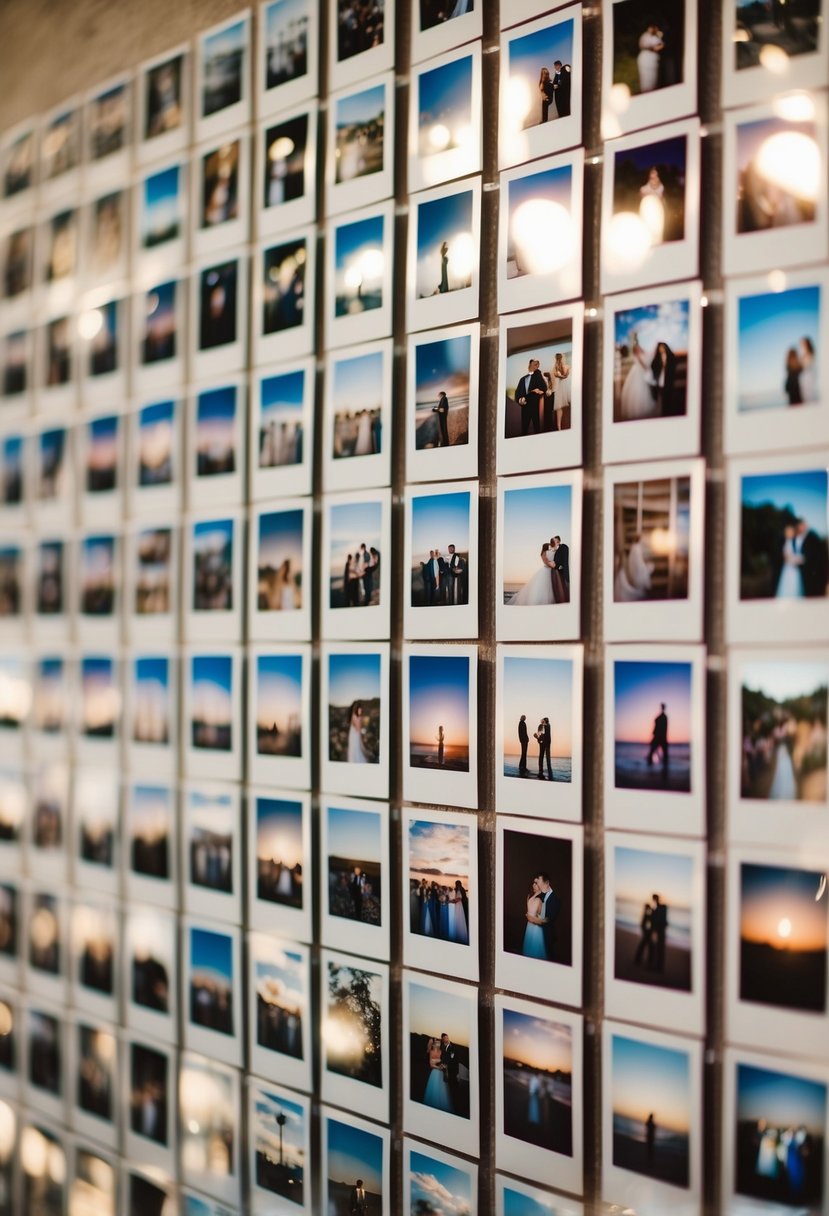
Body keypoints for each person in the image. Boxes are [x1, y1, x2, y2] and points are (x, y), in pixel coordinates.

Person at [620, 333, 656, 420]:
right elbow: (640, 361)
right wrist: (646, 369)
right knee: (638, 389)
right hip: (638, 371)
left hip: (638, 371)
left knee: (641, 389)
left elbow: (645, 354)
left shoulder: (638, 347)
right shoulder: (635, 348)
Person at [797, 517, 829, 597]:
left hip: (815, 573)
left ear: (805, 525)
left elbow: (812, 555)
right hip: (810, 573)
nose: (800, 528)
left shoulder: (812, 536)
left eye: (801, 526)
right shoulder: (806, 536)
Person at [516, 359, 547, 436]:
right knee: (524, 429)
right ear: (529, 365)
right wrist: (520, 400)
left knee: (537, 429)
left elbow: (544, 388)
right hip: (524, 407)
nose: (536, 366)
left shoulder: (537, 376)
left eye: (537, 365)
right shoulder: (522, 379)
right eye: (534, 364)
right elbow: (517, 393)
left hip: (534, 406)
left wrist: (538, 372)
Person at [534, 871, 561, 961]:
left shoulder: (555, 899)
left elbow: (549, 919)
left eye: (541, 884)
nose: (539, 886)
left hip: (548, 935)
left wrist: (534, 919)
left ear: (547, 883)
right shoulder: (541, 896)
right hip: (538, 933)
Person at [423, 1037, 453, 1112]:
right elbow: (431, 1064)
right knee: (434, 1089)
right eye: (436, 1043)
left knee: (442, 1092)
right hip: (434, 1074)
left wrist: (444, 1066)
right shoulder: (431, 1052)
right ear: (433, 1044)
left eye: (439, 1043)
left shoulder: (442, 1051)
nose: (438, 1044)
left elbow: (444, 1062)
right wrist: (438, 1067)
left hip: (441, 1074)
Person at [776, 524, 804, 599]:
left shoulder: (792, 542)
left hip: (793, 569)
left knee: (795, 586)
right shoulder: (787, 543)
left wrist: (799, 559)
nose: (790, 533)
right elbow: (787, 557)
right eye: (788, 532)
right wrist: (798, 560)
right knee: (789, 586)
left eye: (791, 532)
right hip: (789, 568)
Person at [651, 342, 678, 416]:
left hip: (668, 380)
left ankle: (670, 412)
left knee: (669, 397)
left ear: (666, 347)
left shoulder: (671, 356)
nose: (661, 349)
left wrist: (666, 366)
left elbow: (673, 366)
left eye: (663, 347)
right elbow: (653, 366)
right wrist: (661, 365)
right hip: (660, 380)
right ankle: (663, 412)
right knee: (662, 398)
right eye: (660, 347)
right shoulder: (656, 358)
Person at [522, 878, 547, 959]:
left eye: (536, 883)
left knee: (535, 948)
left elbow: (541, 916)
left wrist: (536, 917)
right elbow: (529, 911)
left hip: (536, 926)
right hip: (529, 926)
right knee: (529, 947)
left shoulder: (541, 900)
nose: (533, 885)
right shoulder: (530, 897)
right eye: (533, 883)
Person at [637, 25, 664, 93]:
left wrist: (657, 45)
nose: (653, 29)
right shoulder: (645, 35)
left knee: (653, 80)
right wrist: (654, 47)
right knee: (646, 79)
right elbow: (643, 45)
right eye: (652, 28)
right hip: (646, 58)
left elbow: (661, 46)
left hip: (653, 59)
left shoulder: (656, 37)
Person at [646, 702, 669, 777]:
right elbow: (657, 727)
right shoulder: (662, 717)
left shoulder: (663, 717)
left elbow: (663, 729)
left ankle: (664, 767)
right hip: (659, 737)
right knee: (653, 752)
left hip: (660, 737)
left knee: (663, 754)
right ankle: (650, 765)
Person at [440, 1033, 460, 1110]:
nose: (447, 1039)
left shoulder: (454, 1048)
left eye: (447, 1037)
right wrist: (442, 1064)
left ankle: (456, 1104)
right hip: (444, 1072)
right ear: (443, 1039)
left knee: (453, 1089)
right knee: (446, 1089)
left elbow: (455, 1061)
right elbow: (441, 1058)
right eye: (445, 1038)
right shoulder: (441, 1047)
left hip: (453, 1072)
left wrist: (457, 1073)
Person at [552, 352, 572, 431]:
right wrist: (567, 373)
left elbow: (561, 376)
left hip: (562, 388)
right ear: (562, 358)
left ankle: (559, 427)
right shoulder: (559, 368)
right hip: (565, 387)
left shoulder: (556, 368)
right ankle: (559, 427)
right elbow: (564, 376)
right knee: (561, 407)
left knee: (559, 408)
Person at [651, 893, 667, 972]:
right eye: (654, 899)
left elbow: (661, 920)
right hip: (657, 931)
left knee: (660, 949)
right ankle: (658, 967)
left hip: (660, 931)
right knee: (657, 948)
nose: (654, 900)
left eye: (654, 898)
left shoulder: (662, 907)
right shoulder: (658, 908)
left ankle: (659, 968)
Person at [634, 902, 654, 967]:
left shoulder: (646, 913)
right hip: (646, 932)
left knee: (643, 945)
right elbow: (645, 923)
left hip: (646, 931)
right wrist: (646, 931)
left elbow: (644, 924)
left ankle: (638, 959)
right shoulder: (646, 914)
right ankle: (648, 961)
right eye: (648, 907)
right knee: (649, 946)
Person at [551, 536, 570, 603]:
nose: (554, 542)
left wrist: (562, 566)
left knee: (566, 588)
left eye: (555, 541)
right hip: (557, 572)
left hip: (563, 572)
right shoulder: (555, 550)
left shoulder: (564, 547)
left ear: (559, 541)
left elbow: (565, 559)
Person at [799, 336, 817, 402]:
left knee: (808, 395)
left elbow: (805, 365)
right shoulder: (805, 354)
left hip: (808, 377)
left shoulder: (809, 353)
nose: (801, 345)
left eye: (803, 343)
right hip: (805, 377)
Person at [450, 881, 469, 945]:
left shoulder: (461, 889)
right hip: (458, 905)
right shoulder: (458, 889)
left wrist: (452, 901)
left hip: (461, 905)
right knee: (458, 917)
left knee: (461, 917)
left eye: (456, 884)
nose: (456, 885)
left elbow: (460, 898)